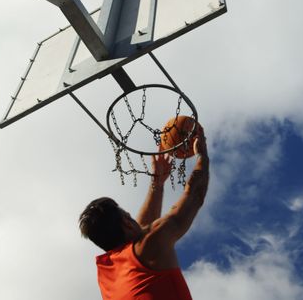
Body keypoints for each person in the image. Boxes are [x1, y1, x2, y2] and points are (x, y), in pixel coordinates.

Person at [79, 127, 209, 300]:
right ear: (126, 222)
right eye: (128, 215)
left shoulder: (109, 273)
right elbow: (194, 196)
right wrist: (202, 155)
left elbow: (138, 236)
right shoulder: (148, 246)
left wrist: (157, 183)